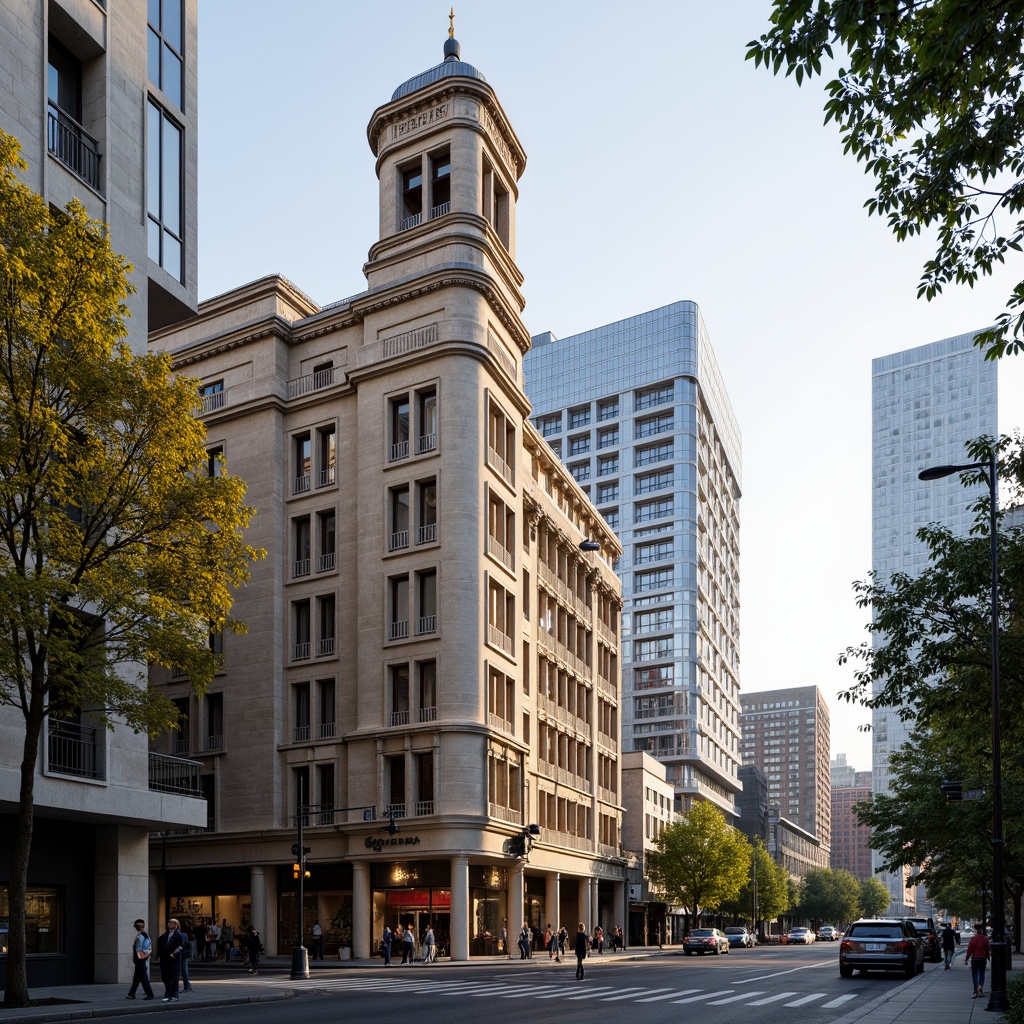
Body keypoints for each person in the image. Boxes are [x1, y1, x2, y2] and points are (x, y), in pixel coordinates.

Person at [157, 918, 186, 1002]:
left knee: (174, 977)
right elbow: (161, 945)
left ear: (176, 925)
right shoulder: (164, 935)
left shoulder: (178, 934)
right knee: (165, 976)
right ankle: (168, 991)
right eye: (169, 923)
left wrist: (173, 953)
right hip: (165, 958)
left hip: (174, 959)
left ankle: (175, 994)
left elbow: (181, 946)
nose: (170, 925)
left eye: (172, 923)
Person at [126, 918, 155, 1000]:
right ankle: (131, 993)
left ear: (137, 926)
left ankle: (150, 994)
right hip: (141, 960)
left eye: (135, 926)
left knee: (144, 978)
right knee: (137, 978)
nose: (135, 927)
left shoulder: (140, 936)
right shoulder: (145, 936)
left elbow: (139, 949)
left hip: (140, 961)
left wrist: (139, 959)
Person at [964, 923, 990, 998]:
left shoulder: (973, 939)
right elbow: (988, 949)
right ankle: (980, 987)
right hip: (982, 958)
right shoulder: (985, 939)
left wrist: (967, 958)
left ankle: (975, 989)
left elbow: (969, 950)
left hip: (975, 959)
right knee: (982, 973)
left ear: (976, 931)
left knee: (975, 974)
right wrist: (988, 957)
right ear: (981, 931)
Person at [178, 924, 193, 991]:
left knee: (182, 970)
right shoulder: (185, 935)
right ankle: (187, 986)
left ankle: (187, 986)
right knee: (184, 970)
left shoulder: (181, 935)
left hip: (182, 954)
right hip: (185, 954)